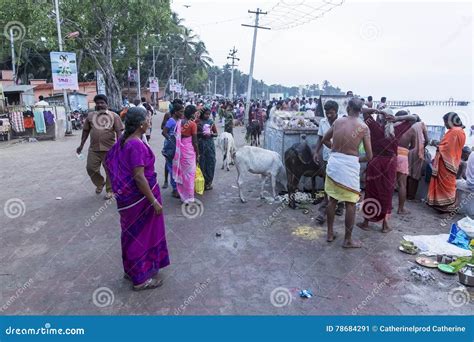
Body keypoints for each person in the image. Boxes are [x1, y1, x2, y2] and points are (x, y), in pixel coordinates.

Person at [105, 107, 169, 291]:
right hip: (141, 199)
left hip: (128, 199)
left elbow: (109, 162)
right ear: (141, 124)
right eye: (148, 120)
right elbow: (139, 177)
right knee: (141, 236)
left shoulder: (124, 141)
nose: (150, 122)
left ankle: (131, 270)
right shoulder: (136, 145)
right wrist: (154, 201)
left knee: (130, 234)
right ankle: (141, 279)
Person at [315, 98, 372, 248]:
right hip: (350, 166)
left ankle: (329, 233)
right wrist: (354, 159)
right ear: (360, 111)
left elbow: (324, 140)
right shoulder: (363, 127)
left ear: (347, 109)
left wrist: (335, 149)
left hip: (334, 163)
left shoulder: (338, 122)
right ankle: (347, 240)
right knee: (351, 203)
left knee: (332, 200)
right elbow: (369, 156)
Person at [358, 109, 416, 232]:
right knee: (387, 192)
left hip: (375, 163)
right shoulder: (397, 131)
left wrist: (377, 110)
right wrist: (398, 119)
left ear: (380, 118)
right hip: (390, 164)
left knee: (371, 191)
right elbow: (414, 118)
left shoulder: (374, 127)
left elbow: (363, 111)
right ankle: (385, 224)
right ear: (392, 119)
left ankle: (366, 222)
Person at [76, 94, 124, 200]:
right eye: (97, 103)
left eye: (102, 102)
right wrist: (81, 145)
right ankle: (100, 183)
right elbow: (85, 131)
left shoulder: (114, 116)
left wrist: (120, 146)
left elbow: (119, 132)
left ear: (107, 104)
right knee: (90, 168)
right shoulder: (90, 116)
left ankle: (110, 190)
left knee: (110, 170)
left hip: (110, 149)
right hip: (94, 149)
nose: (100, 105)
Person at [427, 112, 466, 212]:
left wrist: (437, 145)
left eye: (445, 122)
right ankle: (443, 205)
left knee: (445, 183)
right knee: (447, 183)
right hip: (453, 161)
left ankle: (445, 206)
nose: (445, 125)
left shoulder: (454, 132)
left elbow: (447, 148)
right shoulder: (461, 131)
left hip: (446, 162)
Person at [315, 100, 343, 224]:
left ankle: (340, 205)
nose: (329, 115)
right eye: (327, 113)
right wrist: (316, 152)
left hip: (341, 158)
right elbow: (320, 138)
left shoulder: (343, 122)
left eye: (331, 113)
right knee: (328, 185)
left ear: (336, 112)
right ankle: (323, 212)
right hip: (327, 157)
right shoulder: (322, 122)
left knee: (340, 183)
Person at [173, 105, 199, 203]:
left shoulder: (179, 122)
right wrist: (198, 154)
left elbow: (175, 135)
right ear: (192, 114)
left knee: (183, 174)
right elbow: (195, 142)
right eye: (195, 113)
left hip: (181, 151)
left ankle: (183, 196)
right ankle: (189, 198)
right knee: (190, 175)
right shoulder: (192, 124)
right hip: (189, 150)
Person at [395, 110, 417, 214]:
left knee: (389, 182)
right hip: (403, 155)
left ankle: (387, 206)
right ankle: (401, 208)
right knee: (402, 184)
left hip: (391, 154)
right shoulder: (410, 129)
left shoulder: (392, 126)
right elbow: (413, 146)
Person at [162, 103, 184, 198]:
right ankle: (175, 189)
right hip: (171, 147)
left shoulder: (180, 120)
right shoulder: (171, 121)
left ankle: (177, 187)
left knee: (177, 168)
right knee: (172, 168)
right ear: (175, 112)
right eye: (181, 112)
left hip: (177, 147)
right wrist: (171, 139)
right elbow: (164, 132)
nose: (182, 113)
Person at [407, 115, 429, 200]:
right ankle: (411, 196)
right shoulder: (422, 124)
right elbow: (427, 140)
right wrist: (422, 147)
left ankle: (406, 194)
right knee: (415, 175)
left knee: (408, 173)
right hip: (418, 152)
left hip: (409, 151)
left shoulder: (411, 126)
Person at [197, 108, 218, 190]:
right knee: (202, 163)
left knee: (211, 162)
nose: (207, 116)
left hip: (210, 145)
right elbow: (194, 133)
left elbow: (216, 133)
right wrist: (201, 134)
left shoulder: (211, 122)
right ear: (202, 114)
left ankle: (209, 182)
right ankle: (202, 182)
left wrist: (211, 134)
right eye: (206, 114)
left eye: (209, 114)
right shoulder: (197, 122)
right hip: (201, 145)